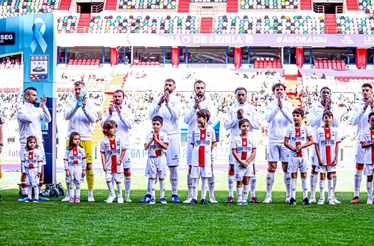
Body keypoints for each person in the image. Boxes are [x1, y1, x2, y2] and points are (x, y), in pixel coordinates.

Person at [145, 78, 181, 203]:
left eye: (170, 85)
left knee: (173, 167)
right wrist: (159, 103)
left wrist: (168, 103)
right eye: (166, 84)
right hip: (157, 135)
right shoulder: (157, 99)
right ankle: (149, 193)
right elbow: (150, 115)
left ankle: (174, 193)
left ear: (174, 87)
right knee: (153, 165)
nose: (167, 87)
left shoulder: (176, 100)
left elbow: (177, 115)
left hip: (172, 136)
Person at [224, 87, 261, 204]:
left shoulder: (252, 109)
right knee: (231, 168)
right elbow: (226, 126)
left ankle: (253, 195)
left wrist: (245, 119)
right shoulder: (231, 109)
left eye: (243, 95)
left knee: (251, 169)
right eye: (238, 95)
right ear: (235, 96)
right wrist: (237, 118)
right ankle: (230, 195)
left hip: (249, 143)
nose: (240, 97)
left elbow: (258, 125)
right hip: (236, 143)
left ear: (246, 96)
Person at [63, 81, 98, 202]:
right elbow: (66, 116)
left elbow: (93, 119)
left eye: (80, 89)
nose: (77, 91)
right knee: (68, 164)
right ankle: (69, 194)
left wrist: (84, 108)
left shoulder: (91, 103)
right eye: (76, 89)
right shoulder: (70, 101)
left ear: (84, 90)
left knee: (88, 166)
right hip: (70, 137)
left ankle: (90, 193)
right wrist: (75, 106)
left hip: (86, 137)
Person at [184, 80, 217, 204]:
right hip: (193, 140)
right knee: (191, 167)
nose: (200, 90)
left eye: (202, 87)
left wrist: (201, 107)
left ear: (205, 89)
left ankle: (211, 195)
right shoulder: (189, 103)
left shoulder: (210, 103)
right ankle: (191, 195)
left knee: (209, 167)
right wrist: (194, 107)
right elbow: (186, 120)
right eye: (197, 87)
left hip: (206, 141)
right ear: (194, 89)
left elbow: (213, 120)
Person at [16, 87, 51, 201]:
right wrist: (40, 110)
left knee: (41, 166)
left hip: (38, 142)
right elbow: (30, 119)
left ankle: (39, 192)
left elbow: (48, 119)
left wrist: (43, 106)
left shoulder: (37, 109)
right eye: (34, 95)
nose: (36, 97)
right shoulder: (21, 110)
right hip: (25, 143)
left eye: (36, 95)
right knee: (25, 167)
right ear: (27, 96)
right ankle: (25, 193)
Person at [308, 87, 340, 204]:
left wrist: (330, 110)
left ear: (330, 95)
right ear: (320, 95)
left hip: (330, 142)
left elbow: (337, 123)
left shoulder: (335, 107)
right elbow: (312, 123)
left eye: (327, 93)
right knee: (314, 168)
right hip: (319, 142)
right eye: (323, 93)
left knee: (332, 170)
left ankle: (332, 195)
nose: (326, 95)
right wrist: (323, 112)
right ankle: (313, 195)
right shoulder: (315, 107)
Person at [264, 83, 294, 204]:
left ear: (284, 91)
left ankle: (288, 195)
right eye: (277, 90)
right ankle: (268, 195)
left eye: (281, 89)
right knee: (271, 167)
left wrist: (282, 108)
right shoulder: (270, 105)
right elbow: (268, 119)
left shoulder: (289, 105)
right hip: (273, 140)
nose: (279, 91)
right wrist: (277, 107)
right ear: (274, 92)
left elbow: (292, 119)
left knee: (286, 167)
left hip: (285, 140)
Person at [102, 89, 134, 202]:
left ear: (123, 98)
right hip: (111, 147)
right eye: (115, 96)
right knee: (110, 171)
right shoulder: (109, 111)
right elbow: (103, 125)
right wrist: (109, 115)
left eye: (119, 96)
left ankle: (127, 195)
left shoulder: (128, 110)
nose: (117, 98)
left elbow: (130, 125)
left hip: (124, 144)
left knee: (126, 169)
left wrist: (120, 114)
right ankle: (112, 194)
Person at [284, 108, 313, 206]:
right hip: (293, 156)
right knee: (293, 175)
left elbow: (311, 141)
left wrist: (302, 146)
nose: (295, 117)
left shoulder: (306, 128)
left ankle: (305, 197)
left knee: (304, 175)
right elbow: (285, 142)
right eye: (294, 116)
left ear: (302, 117)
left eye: (297, 116)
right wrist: (293, 148)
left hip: (303, 156)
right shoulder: (289, 128)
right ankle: (292, 197)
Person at [351, 83, 373, 203]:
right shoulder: (357, 105)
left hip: (373, 141)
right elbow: (353, 121)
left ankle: (372, 195)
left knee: (372, 169)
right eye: (363, 90)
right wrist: (364, 108)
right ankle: (356, 194)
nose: (365, 92)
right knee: (359, 167)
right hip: (361, 140)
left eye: (367, 90)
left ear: (371, 92)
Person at [189, 109, 217, 205]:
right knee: (195, 178)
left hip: (206, 158)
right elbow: (193, 144)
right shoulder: (194, 130)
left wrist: (208, 151)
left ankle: (203, 197)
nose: (197, 119)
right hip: (196, 158)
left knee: (205, 178)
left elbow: (213, 143)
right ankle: (194, 197)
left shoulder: (211, 130)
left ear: (205, 118)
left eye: (199, 117)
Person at [313, 110, 341, 205]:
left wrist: (336, 158)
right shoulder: (318, 131)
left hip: (332, 158)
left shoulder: (335, 131)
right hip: (322, 158)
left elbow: (337, 145)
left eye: (329, 117)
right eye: (326, 117)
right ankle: (321, 198)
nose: (328, 119)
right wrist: (319, 158)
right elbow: (316, 145)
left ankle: (330, 198)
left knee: (330, 176)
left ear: (332, 119)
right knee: (322, 176)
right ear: (323, 119)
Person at [231, 118, 257, 205]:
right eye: (243, 126)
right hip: (239, 164)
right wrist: (242, 162)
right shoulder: (235, 139)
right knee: (239, 181)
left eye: (247, 126)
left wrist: (248, 162)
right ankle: (239, 198)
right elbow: (234, 152)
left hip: (248, 164)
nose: (245, 128)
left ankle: (245, 198)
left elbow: (253, 152)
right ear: (239, 127)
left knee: (246, 180)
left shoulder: (252, 139)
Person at [144, 116, 169, 205]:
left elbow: (166, 146)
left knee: (162, 177)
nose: (155, 126)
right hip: (151, 158)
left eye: (157, 124)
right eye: (154, 124)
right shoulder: (148, 135)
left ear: (161, 125)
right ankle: (153, 197)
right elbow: (146, 147)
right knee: (152, 178)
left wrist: (157, 140)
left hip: (161, 158)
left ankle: (162, 197)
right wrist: (152, 140)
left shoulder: (164, 135)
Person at [100, 120, 126, 204]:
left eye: (115, 128)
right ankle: (112, 194)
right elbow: (103, 154)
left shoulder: (119, 139)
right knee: (108, 179)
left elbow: (123, 150)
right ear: (107, 130)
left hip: (117, 164)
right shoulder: (104, 141)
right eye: (112, 128)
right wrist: (103, 164)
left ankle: (120, 196)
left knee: (118, 180)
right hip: (109, 164)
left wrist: (120, 160)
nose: (115, 130)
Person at [64, 132, 87, 203]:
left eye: (78, 139)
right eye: (75, 139)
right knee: (71, 182)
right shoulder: (68, 150)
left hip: (78, 167)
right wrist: (66, 169)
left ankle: (77, 197)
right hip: (71, 166)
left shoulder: (81, 149)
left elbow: (84, 160)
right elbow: (65, 160)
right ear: (71, 140)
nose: (77, 140)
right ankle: (71, 197)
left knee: (78, 182)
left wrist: (84, 169)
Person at [20, 136, 43, 202]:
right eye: (30, 142)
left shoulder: (38, 152)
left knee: (35, 184)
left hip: (34, 170)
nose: (32, 144)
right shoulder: (24, 152)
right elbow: (23, 162)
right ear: (27, 143)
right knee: (28, 184)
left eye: (34, 142)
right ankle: (29, 197)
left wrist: (39, 172)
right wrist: (24, 171)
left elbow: (40, 163)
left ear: (36, 143)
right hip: (27, 170)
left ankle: (36, 197)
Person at [359, 112, 374, 204]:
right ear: (368, 121)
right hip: (368, 159)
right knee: (369, 177)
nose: (373, 122)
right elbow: (363, 145)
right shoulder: (364, 132)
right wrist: (372, 143)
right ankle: (369, 197)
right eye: (372, 120)